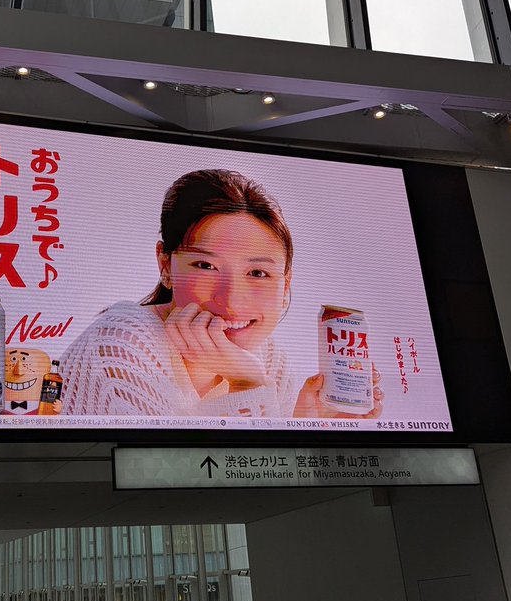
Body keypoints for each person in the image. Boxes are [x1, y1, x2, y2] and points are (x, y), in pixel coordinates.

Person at [61, 169, 382, 418]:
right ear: (166, 265)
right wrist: (248, 385)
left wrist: (311, 423)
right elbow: (186, 487)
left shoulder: (267, 357)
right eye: (205, 265)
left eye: (258, 273)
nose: (232, 301)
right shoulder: (120, 343)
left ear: (285, 284)